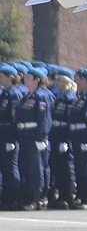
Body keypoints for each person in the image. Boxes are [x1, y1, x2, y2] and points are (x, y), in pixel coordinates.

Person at [15, 66, 53, 209]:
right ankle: (26, 196)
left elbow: (44, 119)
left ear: (37, 80)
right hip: (24, 135)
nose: (26, 79)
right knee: (25, 166)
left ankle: (36, 198)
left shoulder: (40, 96)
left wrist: (41, 138)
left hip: (34, 135)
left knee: (36, 168)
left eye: (29, 78)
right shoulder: (27, 96)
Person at [48, 68, 76, 209]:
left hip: (65, 135)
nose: (56, 82)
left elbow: (70, 121)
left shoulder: (70, 98)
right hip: (56, 134)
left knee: (67, 168)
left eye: (59, 80)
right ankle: (60, 195)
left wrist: (67, 140)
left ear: (67, 81)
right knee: (57, 166)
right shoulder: (59, 97)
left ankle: (68, 195)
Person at [68, 69, 87, 209]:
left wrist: (86, 138)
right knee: (78, 166)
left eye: (81, 79)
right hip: (76, 134)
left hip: (84, 135)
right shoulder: (80, 96)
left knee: (86, 167)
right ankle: (80, 194)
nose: (77, 82)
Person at [0, 64, 21, 210]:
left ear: (9, 77)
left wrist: (13, 139)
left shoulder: (14, 94)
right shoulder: (5, 93)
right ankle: (6, 197)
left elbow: (15, 118)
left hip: (9, 135)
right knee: (4, 167)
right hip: (3, 132)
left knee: (11, 167)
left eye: (2, 76)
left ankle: (13, 197)